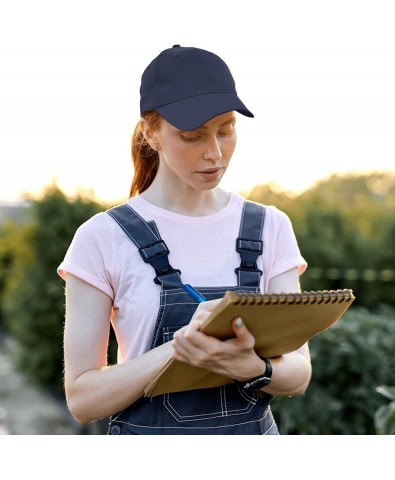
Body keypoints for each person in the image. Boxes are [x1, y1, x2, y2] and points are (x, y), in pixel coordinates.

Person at [58, 45, 311, 435]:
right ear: (151, 132)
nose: (215, 153)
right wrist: (184, 348)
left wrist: (253, 368)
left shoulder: (269, 227)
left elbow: (298, 373)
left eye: (226, 129)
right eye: (193, 136)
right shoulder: (102, 237)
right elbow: (83, 399)